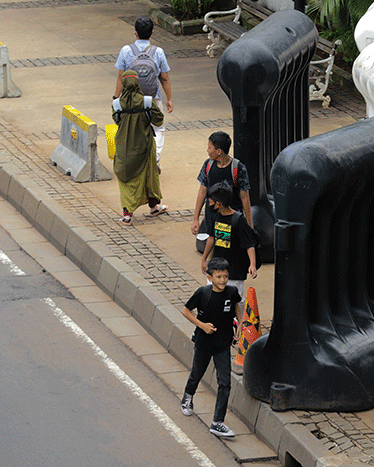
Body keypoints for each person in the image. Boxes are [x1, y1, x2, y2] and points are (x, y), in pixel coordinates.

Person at [180, 257, 242, 438]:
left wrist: (239, 323)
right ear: (210, 277)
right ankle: (187, 397)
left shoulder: (231, 291)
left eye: (225, 276)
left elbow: (237, 306)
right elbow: (185, 311)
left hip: (223, 344)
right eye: (218, 277)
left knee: (225, 383)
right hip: (204, 344)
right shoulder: (203, 293)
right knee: (197, 374)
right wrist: (202, 325)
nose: (222, 280)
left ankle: (217, 422)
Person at [114, 16, 173, 170]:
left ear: (135, 33)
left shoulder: (126, 50)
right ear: (152, 33)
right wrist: (169, 99)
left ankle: (134, 161)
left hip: (130, 98)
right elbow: (164, 78)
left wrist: (116, 98)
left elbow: (121, 76)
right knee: (158, 127)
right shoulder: (158, 52)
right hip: (153, 97)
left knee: (131, 128)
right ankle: (155, 159)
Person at [112, 70, 168, 225]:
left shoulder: (117, 104)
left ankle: (127, 215)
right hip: (145, 146)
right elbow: (158, 120)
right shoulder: (147, 102)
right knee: (150, 177)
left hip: (124, 148)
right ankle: (154, 207)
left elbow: (117, 121)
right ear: (137, 83)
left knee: (126, 180)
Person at [201, 181, 258, 303]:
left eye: (211, 203)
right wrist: (204, 258)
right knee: (213, 298)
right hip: (216, 267)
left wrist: (252, 264)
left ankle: (238, 321)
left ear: (218, 204)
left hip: (234, 271)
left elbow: (249, 244)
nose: (209, 206)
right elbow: (211, 237)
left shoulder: (238, 220)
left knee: (234, 301)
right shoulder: (214, 216)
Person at [191, 131, 252, 237]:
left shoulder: (238, 168)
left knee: (224, 246)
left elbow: (244, 197)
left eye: (210, 147)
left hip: (230, 217)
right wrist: (195, 219)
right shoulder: (208, 165)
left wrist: (249, 225)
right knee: (212, 241)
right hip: (212, 216)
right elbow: (202, 191)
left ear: (219, 151)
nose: (207, 150)